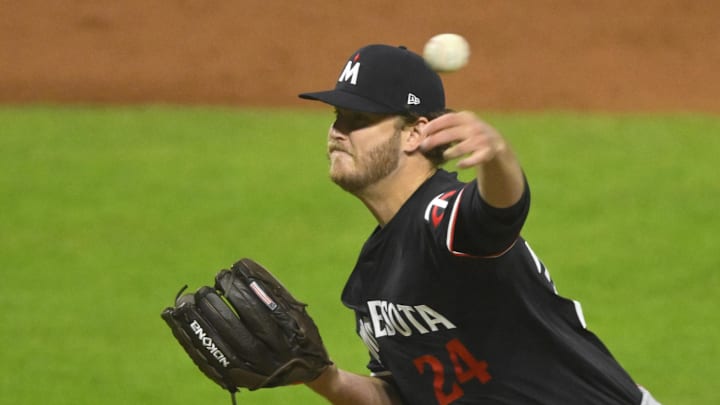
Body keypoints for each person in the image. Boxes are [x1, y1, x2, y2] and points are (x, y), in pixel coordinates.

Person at [298, 44, 660, 405]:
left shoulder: (440, 216)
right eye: (337, 115)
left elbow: (498, 212)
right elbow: (404, 394)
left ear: (415, 133)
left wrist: (498, 156)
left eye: (359, 119)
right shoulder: (369, 278)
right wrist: (324, 378)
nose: (337, 131)